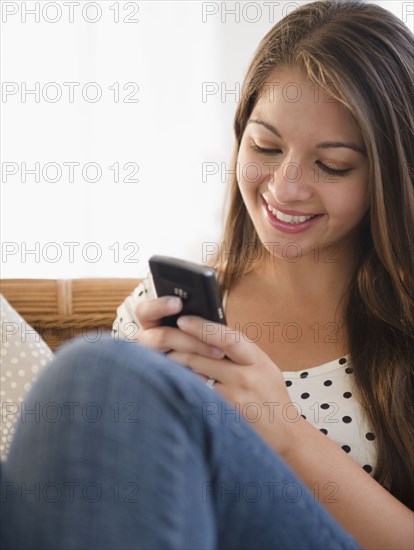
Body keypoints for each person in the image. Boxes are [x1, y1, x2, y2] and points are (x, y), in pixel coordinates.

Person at [2, 1, 413, 549]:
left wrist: (286, 433)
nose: (285, 187)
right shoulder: (162, 306)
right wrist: (136, 412)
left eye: (331, 164)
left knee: (95, 363)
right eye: (265, 146)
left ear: (391, 169)